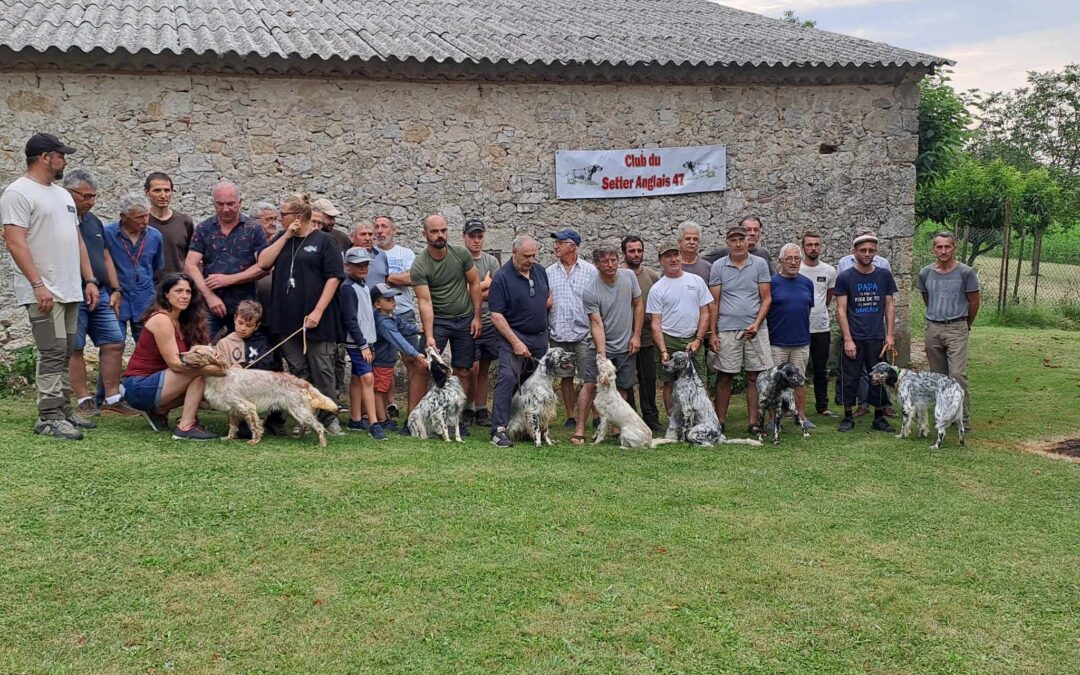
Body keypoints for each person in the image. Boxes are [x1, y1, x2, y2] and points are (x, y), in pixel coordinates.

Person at [2, 133, 99, 439]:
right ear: (45, 157)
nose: (65, 161)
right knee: (51, 351)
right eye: (61, 155)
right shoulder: (18, 193)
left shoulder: (61, 195)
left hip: (69, 287)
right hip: (43, 290)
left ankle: (63, 411)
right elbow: (15, 242)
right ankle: (47, 417)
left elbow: (77, 240)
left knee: (67, 349)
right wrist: (37, 284)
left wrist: (90, 280)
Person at [257, 193, 346, 436]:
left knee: (322, 369)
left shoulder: (325, 241)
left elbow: (334, 277)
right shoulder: (283, 238)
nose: (279, 218)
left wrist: (317, 311)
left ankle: (330, 418)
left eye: (283, 215)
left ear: (297, 216)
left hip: (317, 318)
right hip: (286, 317)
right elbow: (263, 262)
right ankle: (306, 418)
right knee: (298, 371)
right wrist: (286, 235)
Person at [62, 169, 135, 417]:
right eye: (86, 196)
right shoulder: (59, 219)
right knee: (76, 347)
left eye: (94, 196)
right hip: (73, 292)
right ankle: (84, 399)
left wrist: (116, 289)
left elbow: (105, 255)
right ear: (68, 192)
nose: (91, 201)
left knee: (114, 341)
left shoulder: (93, 221)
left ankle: (112, 397)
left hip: (101, 293)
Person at [121, 273, 221, 440]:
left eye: (188, 292)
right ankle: (186, 426)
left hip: (157, 383)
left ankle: (159, 411)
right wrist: (216, 369)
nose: (184, 296)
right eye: (178, 291)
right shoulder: (162, 319)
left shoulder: (183, 322)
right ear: (166, 294)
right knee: (200, 375)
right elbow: (175, 364)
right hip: (138, 386)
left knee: (203, 379)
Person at [411, 214, 483, 434]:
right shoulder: (420, 264)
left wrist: (477, 317)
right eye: (434, 231)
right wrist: (430, 335)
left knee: (464, 370)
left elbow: (475, 283)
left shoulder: (460, 254)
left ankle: (457, 420)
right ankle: (413, 419)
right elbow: (425, 301)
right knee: (422, 368)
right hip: (439, 321)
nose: (440, 235)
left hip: (464, 319)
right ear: (425, 235)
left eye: (443, 230)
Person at [572, 243, 643, 445]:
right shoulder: (590, 290)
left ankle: (615, 427)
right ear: (597, 264)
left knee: (622, 386)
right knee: (590, 385)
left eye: (614, 260)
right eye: (605, 261)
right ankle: (580, 429)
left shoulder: (629, 277)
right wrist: (601, 356)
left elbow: (638, 305)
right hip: (599, 344)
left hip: (626, 344)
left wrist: (636, 336)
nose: (611, 265)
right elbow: (596, 323)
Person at [708, 224, 773, 434]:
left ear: (748, 241)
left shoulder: (760, 264)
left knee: (754, 376)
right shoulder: (718, 266)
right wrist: (713, 333)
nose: (737, 244)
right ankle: (719, 421)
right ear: (727, 243)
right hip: (727, 329)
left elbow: (766, 298)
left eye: (741, 239)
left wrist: (757, 323)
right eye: (733, 240)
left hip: (755, 328)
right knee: (725, 376)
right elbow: (714, 303)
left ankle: (754, 422)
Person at [488, 235, 551, 448]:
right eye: (527, 256)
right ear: (514, 252)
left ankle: (535, 427)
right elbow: (496, 315)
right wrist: (516, 342)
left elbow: (546, 299)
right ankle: (498, 430)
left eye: (534, 255)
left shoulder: (540, 271)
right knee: (507, 378)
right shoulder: (502, 277)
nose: (531, 259)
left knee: (538, 383)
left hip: (539, 337)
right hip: (512, 336)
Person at [185, 181, 267, 337]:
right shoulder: (203, 229)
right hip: (210, 305)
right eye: (220, 204)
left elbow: (264, 267)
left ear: (240, 202)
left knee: (242, 353)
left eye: (231, 204)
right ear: (214, 203)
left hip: (245, 306)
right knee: (204, 349)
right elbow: (190, 264)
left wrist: (230, 279)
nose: (225, 209)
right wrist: (209, 296)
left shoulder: (254, 229)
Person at [835, 230, 897, 433]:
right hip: (854, 336)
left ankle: (879, 417)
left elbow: (889, 305)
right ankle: (847, 416)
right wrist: (847, 339)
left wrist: (889, 334)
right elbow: (841, 310)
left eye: (871, 250)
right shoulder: (845, 277)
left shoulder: (884, 275)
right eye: (863, 250)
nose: (867, 254)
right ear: (854, 252)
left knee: (879, 377)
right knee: (849, 377)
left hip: (876, 336)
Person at [917, 231, 980, 429]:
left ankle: (964, 418)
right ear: (933, 249)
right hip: (933, 327)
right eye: (939, 247)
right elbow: (927, 298)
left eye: (947, 247)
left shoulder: (966, 273)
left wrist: (965, 324)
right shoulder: (926, 272)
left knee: (957, 374)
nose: (943, 251)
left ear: (954, 248)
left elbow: (974, 302)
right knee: (939, 376)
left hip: (957, 327)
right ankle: (945, 414)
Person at [647, 242, 712, 423]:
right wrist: (663, 350)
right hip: (668, 339)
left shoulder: (696, 281)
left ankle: (702, 419)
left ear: (681, 256)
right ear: (661, 261)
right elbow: (655, 324)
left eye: (676, 255)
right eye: (668, 256)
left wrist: (699, 339)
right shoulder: (657, 289)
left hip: (693, 339)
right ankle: (673, 421)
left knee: (700, 381)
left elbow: (705, 312)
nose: (673, 259)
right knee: (669, 382)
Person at [371, 214, 424, 418]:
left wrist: (387, 279)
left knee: (411, 359)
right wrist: (396, 280)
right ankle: (389, 404)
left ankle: (416, 405)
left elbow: (413, 277)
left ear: (393, 230)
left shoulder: (405, 253)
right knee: (384, 363)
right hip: (379, 316)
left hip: (403, 312)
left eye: (384, 226)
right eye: (376, 226)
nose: (379, 230)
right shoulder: (372, 254)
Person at [546, 228, 597, 428]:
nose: (555, 246)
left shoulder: (590, 271)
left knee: (588, 376)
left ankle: (595, 415)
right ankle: (570, 415)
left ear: (572, 246)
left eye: (560, 242)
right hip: (558, 332)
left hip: (583, 333)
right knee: (565, 377)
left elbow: (596, 300)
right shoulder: (549, 272)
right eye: (556, 242)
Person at [104, 193, 165, 344]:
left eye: (146, 216)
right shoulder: (108, 234)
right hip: (116, 300)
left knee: (147, 346)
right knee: (114, 345)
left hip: (145, 300)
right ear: (123, 217)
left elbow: (157, 268)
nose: (145, 221)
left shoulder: (155, 236)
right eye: (139, 217)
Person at [767, 243, 816, 428]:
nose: (794, 262)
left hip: (801, 340)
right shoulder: (771, 283)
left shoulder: (807, 283)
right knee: (775, 381)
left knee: (800, 380)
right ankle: (773, 419)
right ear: (780, 261)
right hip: (777, 341)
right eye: (789, 258)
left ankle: (801, 417)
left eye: (797, 258)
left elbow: (807, 308)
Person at [340, 247, 386, 440]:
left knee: (359, 378)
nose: (363, 268)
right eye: (358, 265)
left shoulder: (364, 287)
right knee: (368, 378)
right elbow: (350, 319)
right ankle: (374, 422)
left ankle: (356, 417)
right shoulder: (348, 288)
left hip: (367, 340)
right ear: (348, 266)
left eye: (366, 264)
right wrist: (363, 344)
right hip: (358, 343)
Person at [370, 282, 429, 430]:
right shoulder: (384, 323)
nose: (393, 302)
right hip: (381, 362)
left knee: (384, 387)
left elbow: (404, 327)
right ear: (377, 304)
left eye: (393, 299)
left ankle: (383, 416)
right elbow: (399, 340)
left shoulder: (392, 317)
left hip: (387, 361)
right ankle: (382, 419)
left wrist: (418, 329)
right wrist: (416, 354)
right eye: (388, 300)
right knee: (380, 390)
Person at [460, 219, 501, 427]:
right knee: (470, 367)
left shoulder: (491, 262)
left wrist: (475, 290)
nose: (476, 241)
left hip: (488, 322)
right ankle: (467, 407)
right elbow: (459, 293)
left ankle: (481, 408)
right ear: (464, 236)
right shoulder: (459, 259)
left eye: (480, 236)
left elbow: (497, 292)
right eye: (472, 236)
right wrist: (484, 284)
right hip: (467, 322)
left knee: (484, 367)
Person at [621, 235, 662, 431]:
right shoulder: (618, 274)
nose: (636, 254)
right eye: (632, 251)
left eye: (639, 250)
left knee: (648, 380)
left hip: (646, 337)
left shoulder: (652, 276)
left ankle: (651, 418)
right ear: (624, 253)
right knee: (626, 381)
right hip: (622, 338)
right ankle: (629, 419)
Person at [798, 231, 838, 417]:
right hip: (798, 328)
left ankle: (822, 406)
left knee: (821, 369)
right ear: (803, 247)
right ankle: (792, 407)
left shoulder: (829, 271)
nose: (813, 248)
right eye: (809, 245)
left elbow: (828, 297)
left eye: (817, 244)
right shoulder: (796, 268)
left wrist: (819, 310)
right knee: (797, 369)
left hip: (821, 327)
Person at [144, 172, 193, 278]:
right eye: (157, 190)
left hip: (177, 287)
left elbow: (192, 259)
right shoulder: (141, 222)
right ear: (147, 192)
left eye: (167, 190)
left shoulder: (184, 222)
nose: (163, 195)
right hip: (148, 287)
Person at [213, 299, 273, 370]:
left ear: (256, 326)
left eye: (249, 325)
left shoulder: (263, 343)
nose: (243, 328)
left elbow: (267, 365)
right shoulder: (224, 343)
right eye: (240, 323)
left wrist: (244, 366)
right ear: (235, 319)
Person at [703, 215, 776, 273]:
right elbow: (701, 262)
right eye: (748, 230)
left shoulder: (763, 253)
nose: (752, 233)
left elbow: (771, 277)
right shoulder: (725, 251)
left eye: (756, 230)